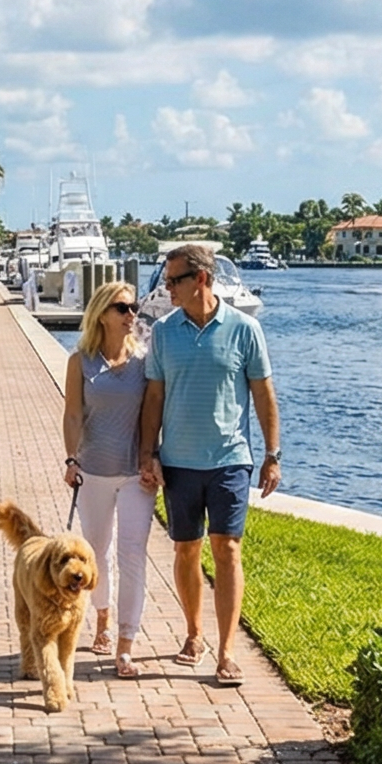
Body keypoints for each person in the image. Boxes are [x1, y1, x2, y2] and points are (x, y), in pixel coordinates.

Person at [137, 243, 280, 685]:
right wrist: (149, 452)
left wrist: (272, 455)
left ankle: (226, 652)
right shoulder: (163, 332)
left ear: (201, 279)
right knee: (186, 549)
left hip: (230, 460)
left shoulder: (244, 329)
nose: (166, 287)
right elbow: (154, 397)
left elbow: (262, 393)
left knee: (228, 549)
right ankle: (193, 634)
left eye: (174, 279)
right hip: (179, 461)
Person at [61, 280, 152, 679]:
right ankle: (101, 619)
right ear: (102, 313)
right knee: (95, 553)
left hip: (136, 474)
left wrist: (154, 459)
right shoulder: (80, 361)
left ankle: (126, 643)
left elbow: (153, 416)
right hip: (93, 471)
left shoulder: (145, 362)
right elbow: (72, 415)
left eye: (134, 309)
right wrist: (71, 459)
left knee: (132, 555)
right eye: (122, 309)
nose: (131, 315)